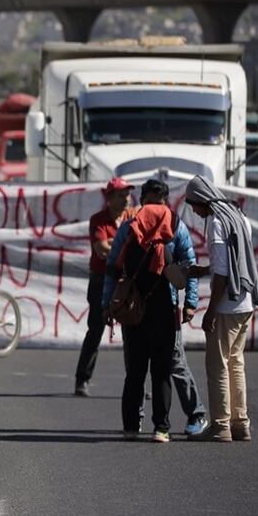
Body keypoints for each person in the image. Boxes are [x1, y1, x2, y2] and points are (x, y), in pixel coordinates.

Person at [102, 179, 209, 438]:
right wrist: (107, 305)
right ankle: (155, 426)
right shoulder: (166, 227)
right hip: (152, 310)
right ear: (143, 202)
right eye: (151, 204)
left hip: (147, 310)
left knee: (156, 367)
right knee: (153, 370)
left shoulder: (140, 228)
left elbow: (189, 267)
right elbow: (190, 267)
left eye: (157, 205)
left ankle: (184, 416)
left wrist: (191, 303)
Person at [185, 175, 258, 443]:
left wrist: (210, 312)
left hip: (227, 304)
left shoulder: (217, 223)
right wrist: (202, 270)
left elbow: (221, 274)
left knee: (217, 365)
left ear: (202, 200)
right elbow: (234, 263)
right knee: (236, 363)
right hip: (246, 300)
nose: (194, 211)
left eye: (193, 205)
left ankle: (220, 426)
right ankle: (241, 424)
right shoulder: (238, 216)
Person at [104, 201, 178, 442]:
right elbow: (179, 281)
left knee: (135, 373)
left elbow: (114, 271)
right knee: (161, 373)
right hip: (162, 318)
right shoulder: (165, 249)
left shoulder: (130, 245)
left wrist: (108, 303)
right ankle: (161, 428)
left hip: (134, 316)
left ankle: (131, 426)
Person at [74, 177, 134, 397]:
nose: (126, 199)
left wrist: (114, 245)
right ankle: (82, 379)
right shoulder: (98, 220)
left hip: (127, 281)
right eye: (121, 195)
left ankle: (135, 381)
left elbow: (112, 247)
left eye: (127, 194)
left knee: (132, 332)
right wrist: (126, 248)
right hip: (101, 279)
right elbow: (102, 249)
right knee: (96, 329)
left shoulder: (133, 216)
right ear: (109, 199)